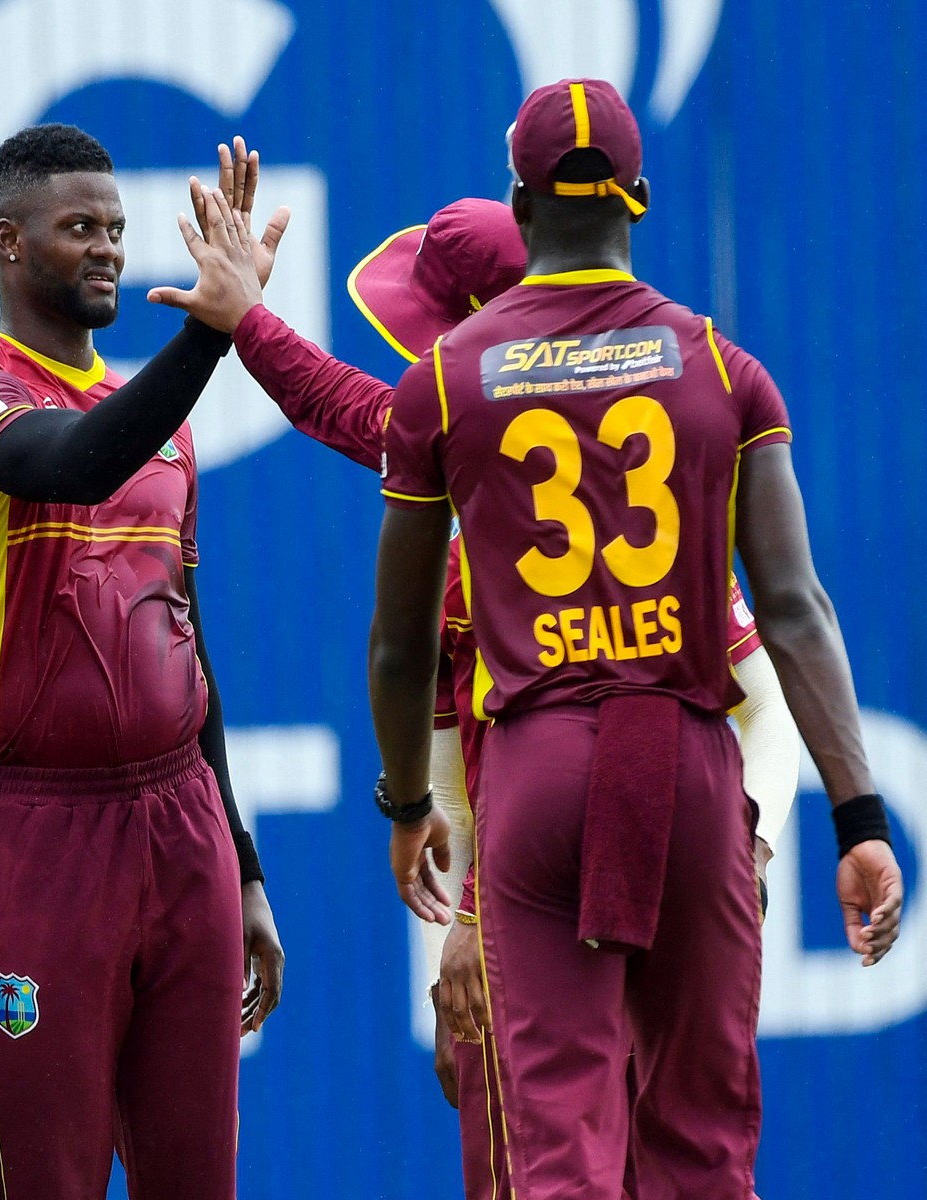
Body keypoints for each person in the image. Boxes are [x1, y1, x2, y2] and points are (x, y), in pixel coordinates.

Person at [151, 81, 901, 1197]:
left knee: (554, 1144)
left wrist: (406, 807)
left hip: (539, 770)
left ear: (521, 195)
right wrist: (858, 819)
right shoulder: (722, 367)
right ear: (639, 198)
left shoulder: (450, 389)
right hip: (688, 758)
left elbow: (396, 641)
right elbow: (794, 614)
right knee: (703, 1141)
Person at [0, 124, 284, 1200]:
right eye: (80, 229)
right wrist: (214, 333)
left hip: (180, 828)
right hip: (35, 833)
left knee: (196, 1178)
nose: (109, 249)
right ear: (9, 246)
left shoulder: (161, 425)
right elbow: (72, 463)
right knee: (53, 1181)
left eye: (117, 229)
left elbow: (188, 643)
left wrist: (243, 864)